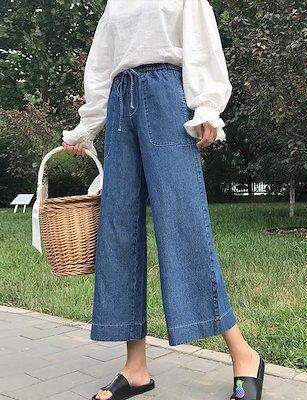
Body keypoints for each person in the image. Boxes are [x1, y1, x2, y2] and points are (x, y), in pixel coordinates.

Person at [62, 1, 265, 399]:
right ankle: (135, 367)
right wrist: (86, 126)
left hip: (166, 97)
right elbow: (101, 66)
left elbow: (202, 43)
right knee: (118, 234)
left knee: (183, 225)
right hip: (120, 104)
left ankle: (244, 354)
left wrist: (206, 106)